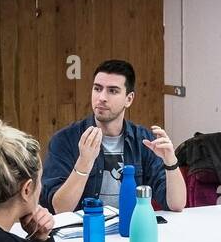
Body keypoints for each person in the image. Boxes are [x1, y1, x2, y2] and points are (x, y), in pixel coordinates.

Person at [40, 59, 187, 215]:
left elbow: (176, 205)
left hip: (130, 230)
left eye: (113, 91)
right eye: (97, 89)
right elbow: (60, 208)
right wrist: (84, 163)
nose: (102, 97)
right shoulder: (65, 140)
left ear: (129, 99)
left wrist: (171, 162)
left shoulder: (143, 140)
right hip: (84, 233)